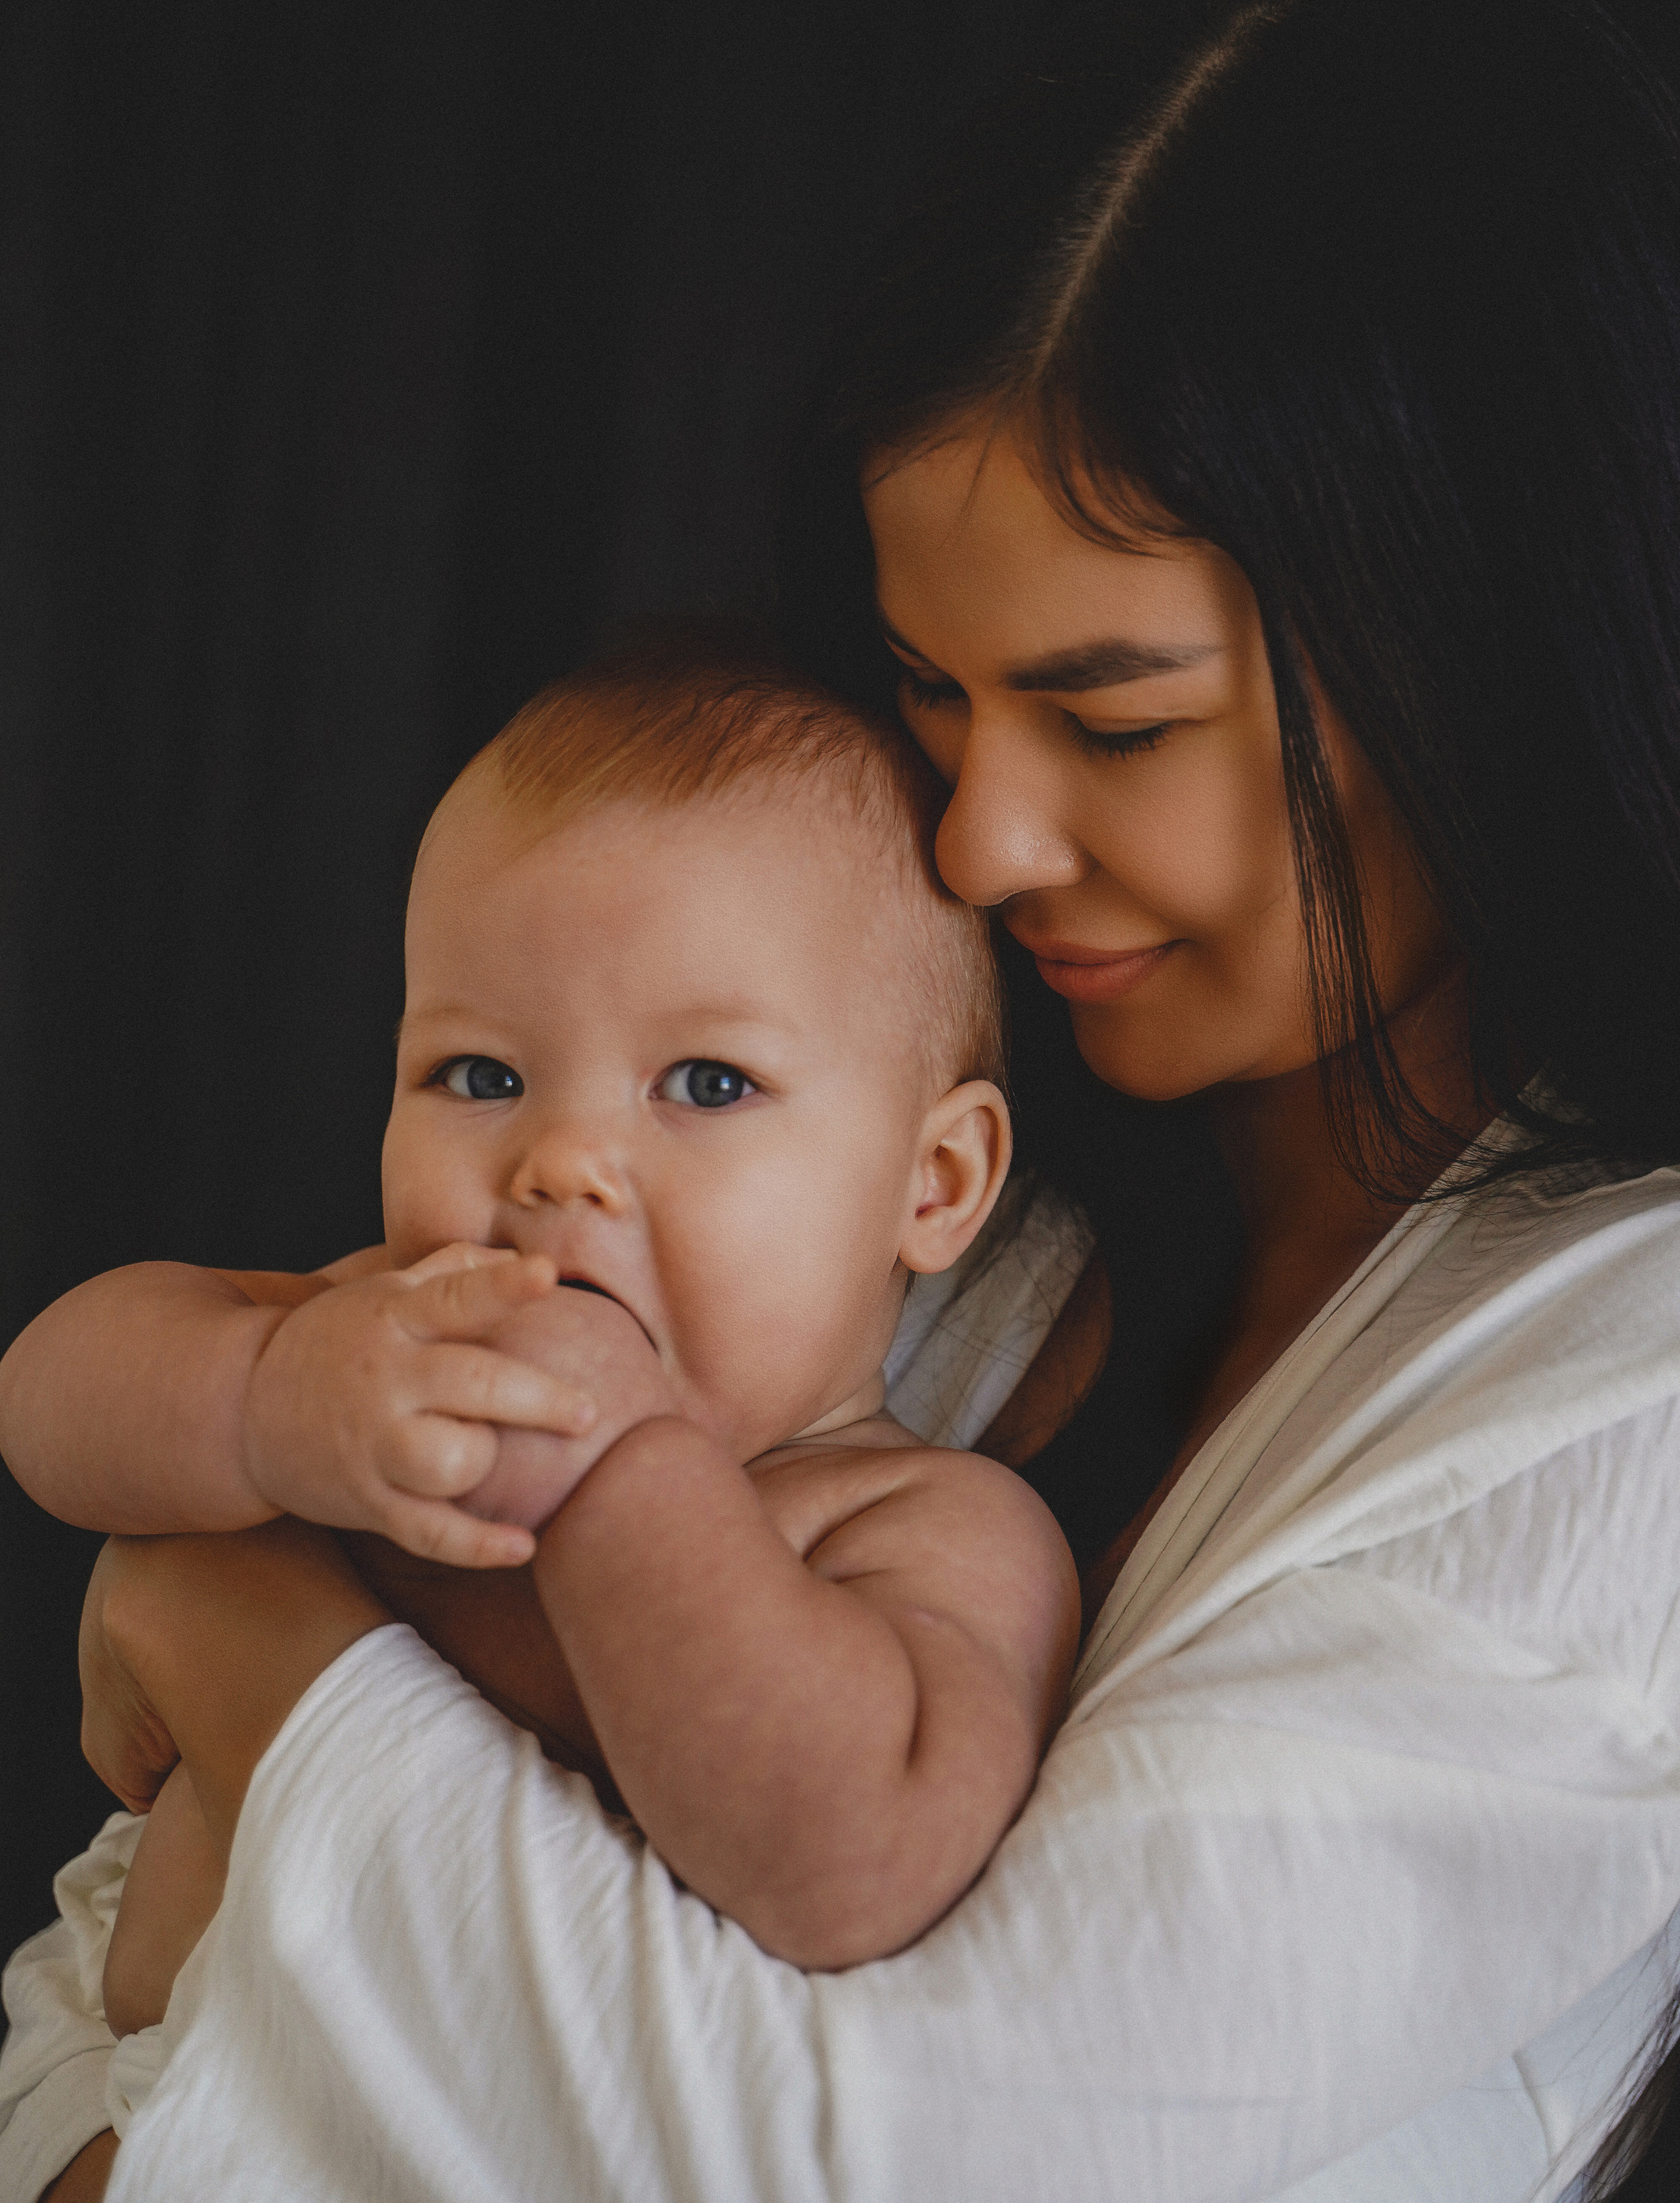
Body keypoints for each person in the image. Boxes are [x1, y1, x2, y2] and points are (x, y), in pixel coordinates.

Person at [7, 0, 1680, 2203]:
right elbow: (99, 1949)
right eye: (930, 694)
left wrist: (236, 1621)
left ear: (1491, 652)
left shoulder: (1610, 1402)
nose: (979, 843)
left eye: (1116, 723)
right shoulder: (964, 1197)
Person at [0, 643, 1078, 2026]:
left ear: (932, 1184)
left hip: (437, 2148)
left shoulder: (917, 1526)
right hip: (140, 2094)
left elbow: (853, 1874)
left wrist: (622, 1471)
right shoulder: (381, 1352)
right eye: (480, 1075)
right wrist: (257, 1402)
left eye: (706, 1083)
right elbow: (44, 1401)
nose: (559, 1160)